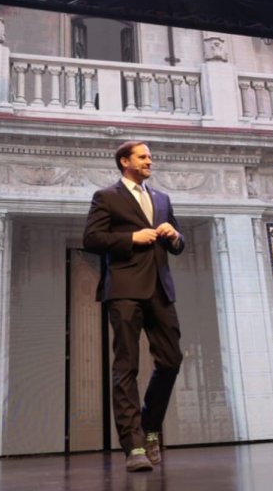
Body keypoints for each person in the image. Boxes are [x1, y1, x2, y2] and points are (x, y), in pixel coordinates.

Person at [83, 140, 184, 473]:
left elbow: (179, 245)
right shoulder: (106, 197)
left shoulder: (162, 199)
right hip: (125, 290)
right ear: (124, 161)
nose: (149, 161)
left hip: (160, 290)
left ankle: (150, 427)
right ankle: (134, 446)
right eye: (143, 157)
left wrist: (174, 236)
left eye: (150, 157)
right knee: (126, 366)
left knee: (171, 360)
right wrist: (131, 238)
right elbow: (92, 239)